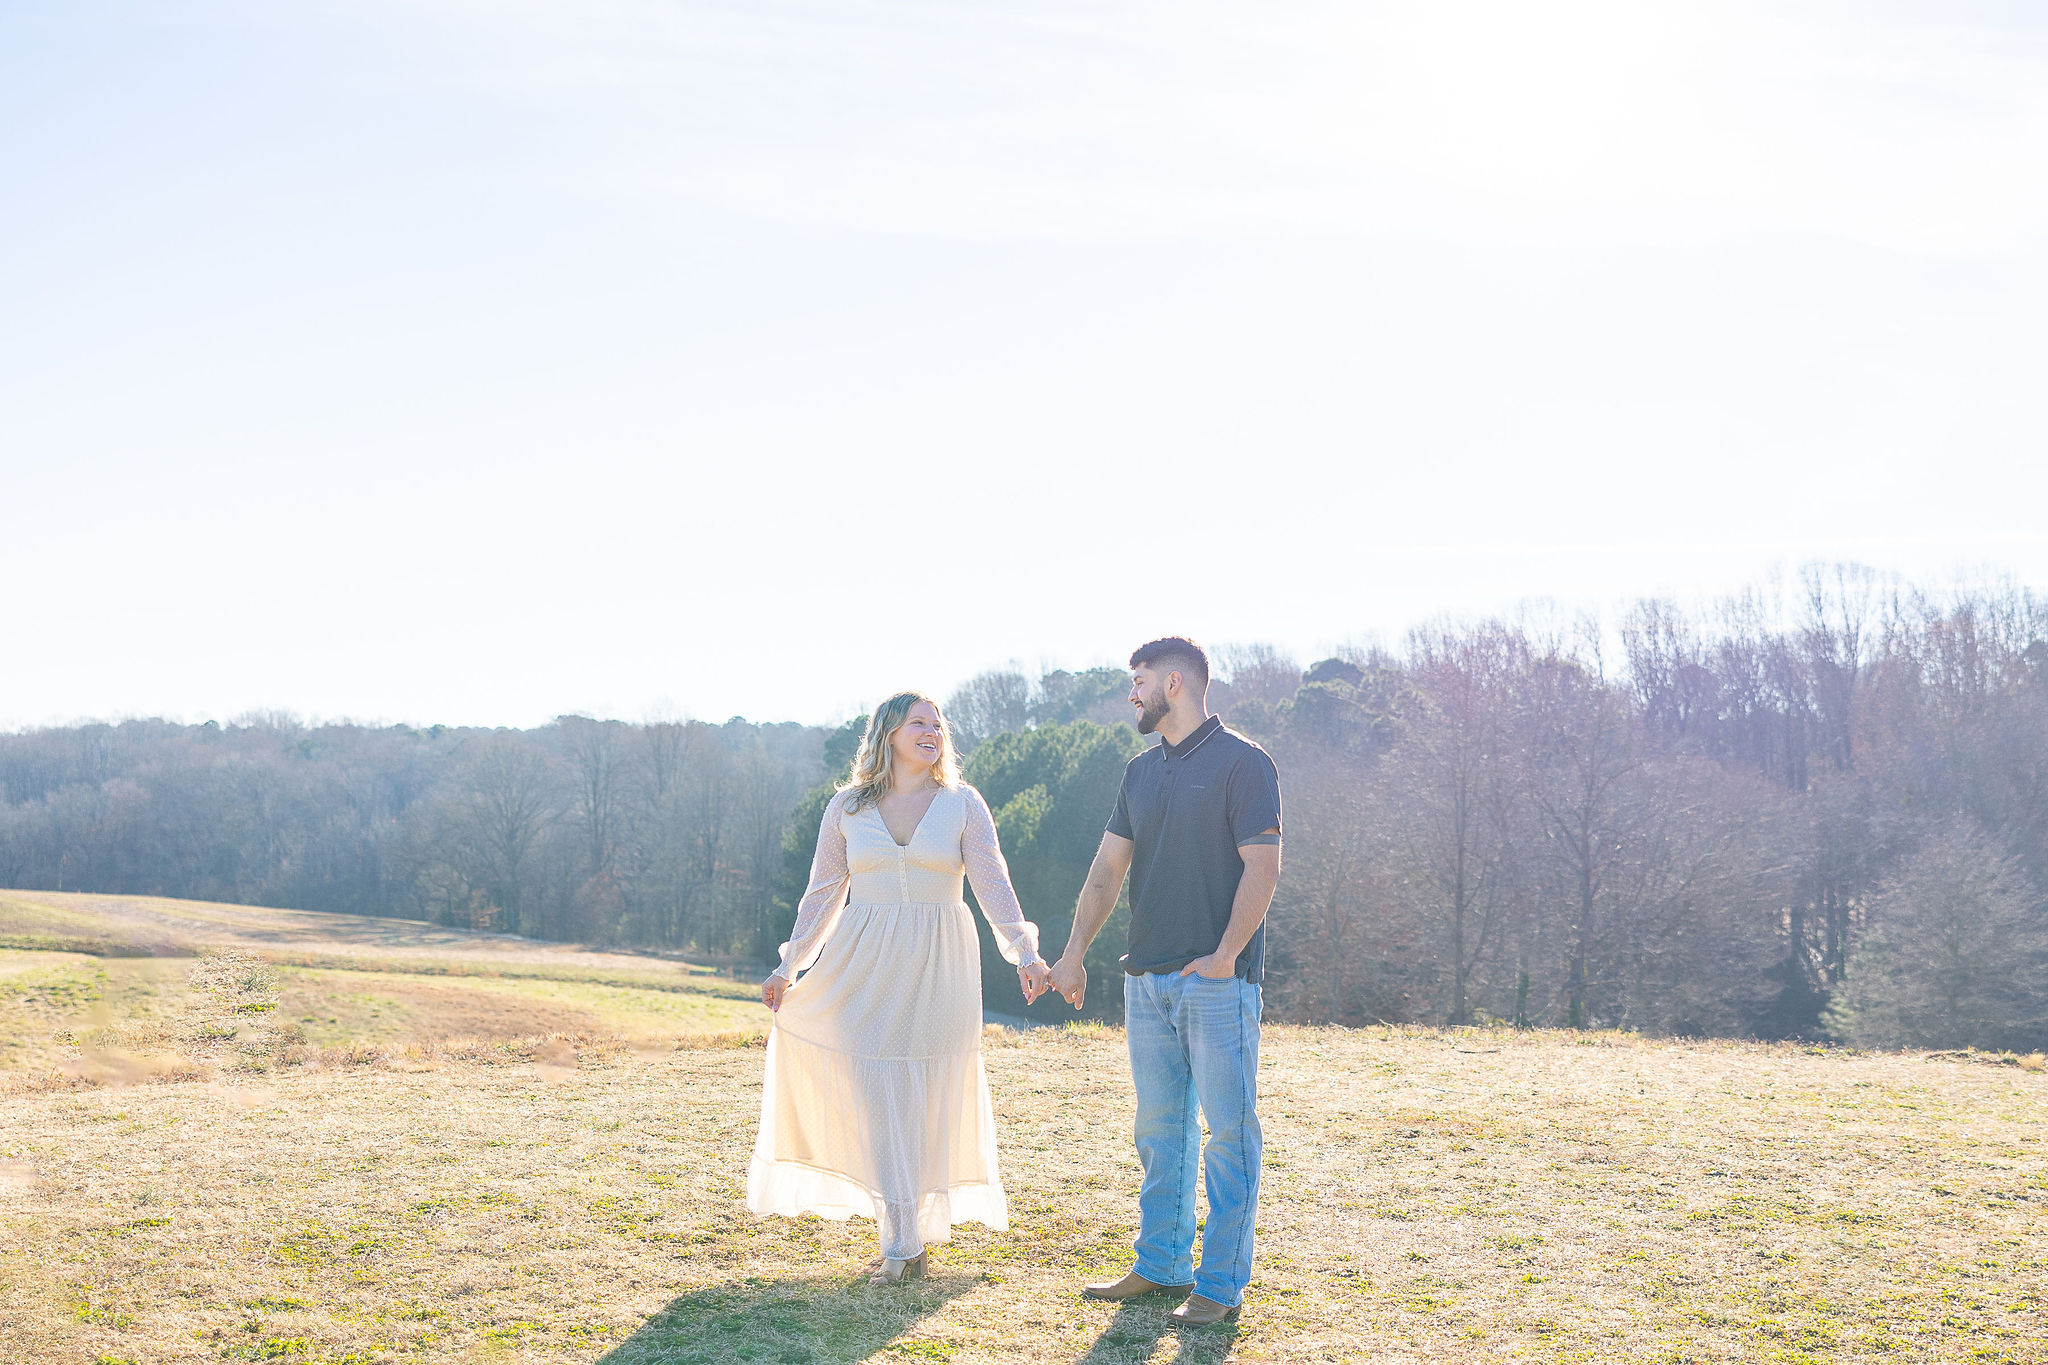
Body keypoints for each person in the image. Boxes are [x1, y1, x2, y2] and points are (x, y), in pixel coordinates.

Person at [748, 691, 1055, 1284]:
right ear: (887, 734)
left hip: (942, 961)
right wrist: (790, 968)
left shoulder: (962, 804)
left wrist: (1024, 953)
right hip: (861, 962)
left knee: (926, 1089)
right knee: (875, 1091)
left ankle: (907, 1237)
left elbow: (993, 883)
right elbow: (822, 895)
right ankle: (901, 1240)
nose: (930, 732)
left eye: (937, 724)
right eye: (918, 723)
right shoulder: (846, 808)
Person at [1048, 637, 1283, 1326]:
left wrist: (1223, 955)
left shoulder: (1245, 763)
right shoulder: (1139, 774)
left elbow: (1262, 867)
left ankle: (1219, 1285)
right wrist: (1072, 953)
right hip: (1145, 982)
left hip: (1217, 982)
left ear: (1174, 682)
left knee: (1229, 1134)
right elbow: (1105, 871)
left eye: (1139, 680)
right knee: (1160, 1130)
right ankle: (1159, 1265)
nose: (1132, 694)